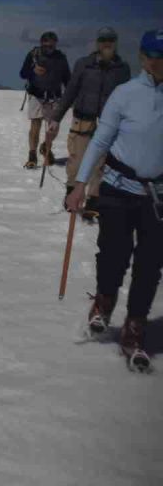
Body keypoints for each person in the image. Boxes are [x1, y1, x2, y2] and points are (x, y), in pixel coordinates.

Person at [66, 29, 163, 370]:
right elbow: (100, 140)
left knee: (150, 265)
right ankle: (104, 303)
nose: (160, 62)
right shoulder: (125, 94)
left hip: (157, 196)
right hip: (118, 188)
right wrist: (79, 185)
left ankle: (134, 327)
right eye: (155, 55)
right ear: (143, 57)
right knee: (113, 254)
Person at [47, 27, 131, 220]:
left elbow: (127, 99)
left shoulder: (122, 69)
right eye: (103, 40)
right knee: (77, 159)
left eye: (110, 39)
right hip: (83, 120)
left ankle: (93, 199)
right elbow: (70, 92)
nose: (106, 43)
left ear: (116, 42)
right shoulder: (84, 64)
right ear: (97, 43)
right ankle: (71, 191)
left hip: (108, 123)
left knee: (100, 164)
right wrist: (56, 118)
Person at [18, 31, 70, 169]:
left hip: (54, 96)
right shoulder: (33, 55)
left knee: (53, 128)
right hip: (36, 94)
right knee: (35, 125)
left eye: (51, 46)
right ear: (41, 43)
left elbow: (67, 78)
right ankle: (32, 156)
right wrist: (33, 71)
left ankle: (46, 147)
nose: (49, 49)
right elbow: (23, 73)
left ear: (55, 45)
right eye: (46, 46)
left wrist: (70, 95)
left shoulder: (61, 58)